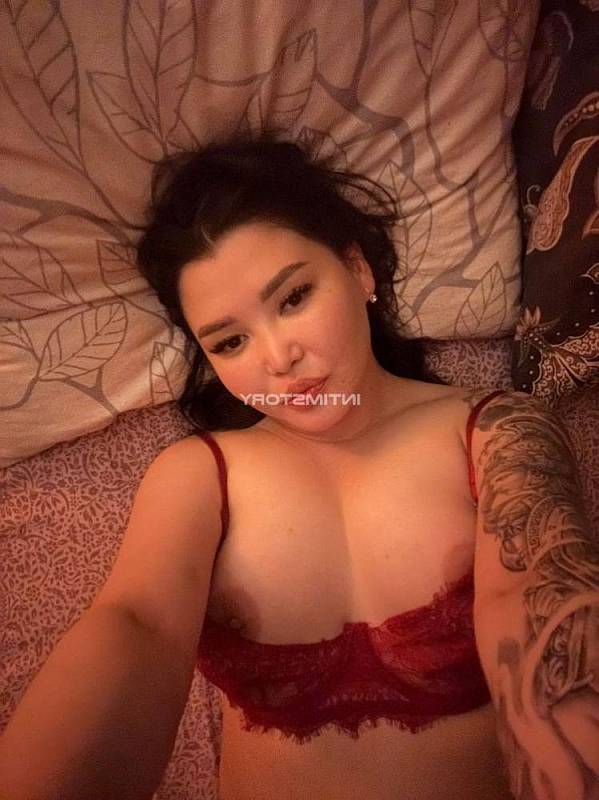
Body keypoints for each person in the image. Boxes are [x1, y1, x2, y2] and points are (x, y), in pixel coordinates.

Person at [0, 131, 597, 800]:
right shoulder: (198, 475)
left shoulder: (497, 431)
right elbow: (137, 625)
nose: (278, 358)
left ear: (358, 270)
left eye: (292, 299)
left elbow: (541, 604)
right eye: (230, 341)